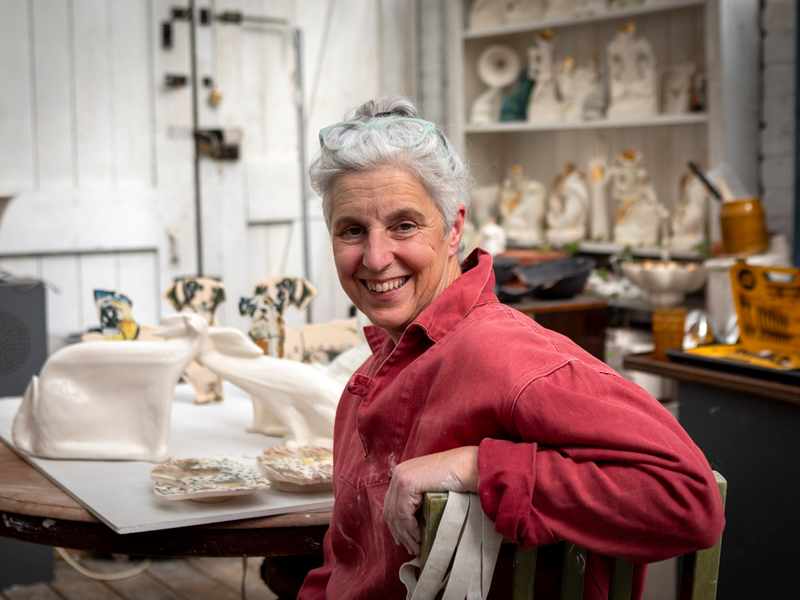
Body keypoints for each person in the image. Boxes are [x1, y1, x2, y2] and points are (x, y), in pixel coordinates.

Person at [297, 97, 724, 600]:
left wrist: (477, 467)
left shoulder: (500, 355)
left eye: (404, 225)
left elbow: (689, 501)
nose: (375, 256)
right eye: (351, 230)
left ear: (454, 228)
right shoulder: (370, 377)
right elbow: (349, 567)